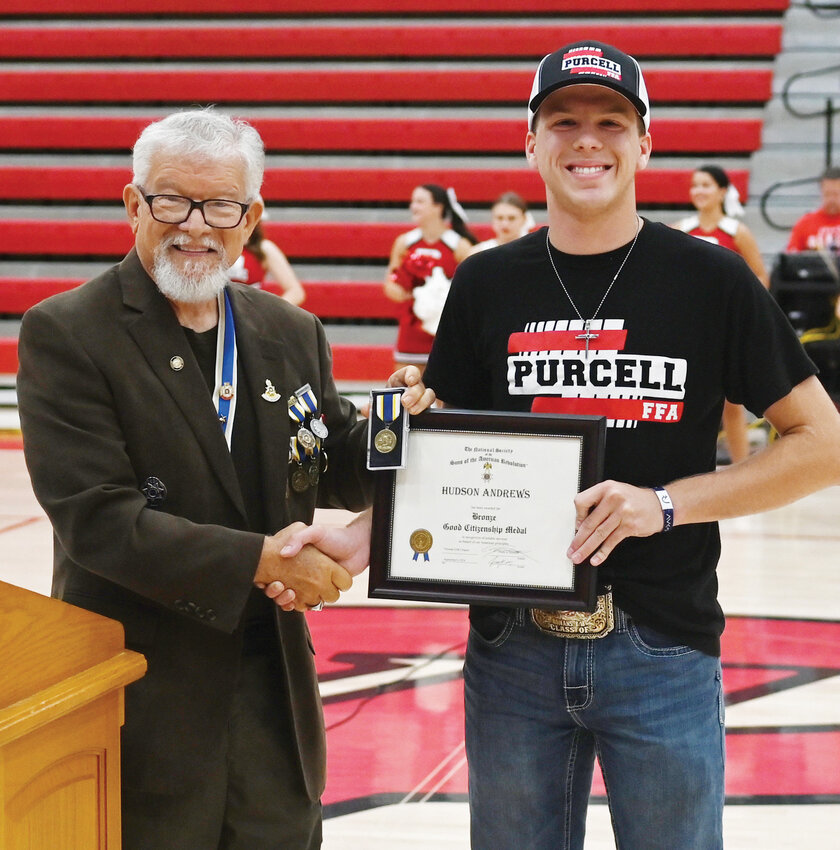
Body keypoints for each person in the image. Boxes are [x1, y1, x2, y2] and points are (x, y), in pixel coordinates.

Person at [280, 40, 840, 850]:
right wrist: (353, 539)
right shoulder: (484, 284)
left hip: (663, 639)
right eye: (563, 120)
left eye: (612, 121)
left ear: (645, 142)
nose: (587, 139)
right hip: (512, 645)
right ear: (530, 142)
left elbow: (822, 442)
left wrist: (667, 504)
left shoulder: (709, 278)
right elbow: (447, 464)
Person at [15, 108, 432, 850]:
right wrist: (260, 562)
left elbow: (330, 459)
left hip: (275, 693)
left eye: (222, 206)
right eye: (171, 200)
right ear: (133, 203)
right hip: (144, 690)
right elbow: (97, 519)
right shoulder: (68, 331)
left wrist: (399, 422)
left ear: (254, 216)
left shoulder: (288, 330)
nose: (195, 226)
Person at [673, 164, 770, 462]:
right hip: (687, 328)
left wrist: (741, 316)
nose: (699, 191)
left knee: (731, 405)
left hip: (723, 328)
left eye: (706, 185)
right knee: (681, 400)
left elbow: (761, 279)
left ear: (723, 191)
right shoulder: (680, 230)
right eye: (695, 185)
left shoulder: (737, 232)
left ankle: (741, 471)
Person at [383, 183, 476, 370]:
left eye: (420, 202)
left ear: (438, 207)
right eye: (412, 202)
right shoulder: (404, 242)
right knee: (404, 391)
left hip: (444, 331)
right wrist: (406, 292)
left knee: (444, 394)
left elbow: (471, 290)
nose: (413, 207)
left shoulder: (460, 245)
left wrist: (439, 296)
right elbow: (389, 285)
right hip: (411, 330)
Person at [228, 216, 306, 305]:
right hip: (216, 313)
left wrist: (269, 313)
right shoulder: (215, 247)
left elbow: (296, 292)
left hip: (250, 312)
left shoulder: (264, 248)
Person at [786, 165, 840, 252]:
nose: (831, 199)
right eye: (827, 194)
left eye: (836, 194)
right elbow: (791, 259)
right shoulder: (805, 224)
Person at [468, 191, 535, 255]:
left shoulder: (534, 251)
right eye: (500, 218)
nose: (505, 224)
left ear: (524, 219)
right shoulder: (477, 253)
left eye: (511, 218)